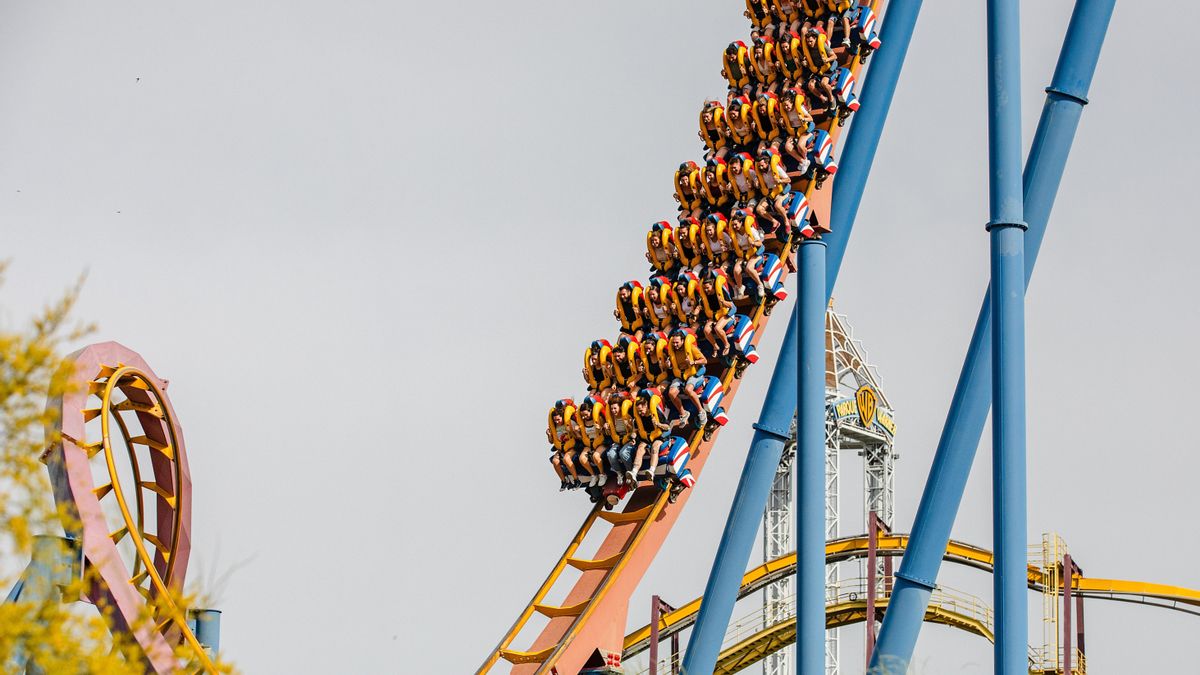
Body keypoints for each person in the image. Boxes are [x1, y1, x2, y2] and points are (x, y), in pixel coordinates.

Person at [665, 328, 709, 426]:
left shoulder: (691, 348)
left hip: (693, 373)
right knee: (671, 393)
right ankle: (683, 413)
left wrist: (693, 362)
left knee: (688, 390)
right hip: (680, 376)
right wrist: (668, 365)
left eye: (677, 342)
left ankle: (701, 411)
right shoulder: (672, 351)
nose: (675, 345)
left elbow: (704, 360)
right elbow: (673, 364)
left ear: (683, 341)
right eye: (674, 343)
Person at [629, 388, 672, 484]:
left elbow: (667, 427)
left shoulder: (656, 413)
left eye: (641, 410)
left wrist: (658, 424)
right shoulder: (638, 418)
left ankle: (651, 470)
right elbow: (635, 431)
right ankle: (634, 472)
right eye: (638, 411)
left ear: (646, 406)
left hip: (659, 435)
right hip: (646, 437)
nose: (640, 413)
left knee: (655, 447)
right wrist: (633, 438)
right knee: (640, 448)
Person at [571, 396, 610, 495]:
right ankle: (593, 475)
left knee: (596, 456)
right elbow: (581, 438)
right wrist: (576, 432)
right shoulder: (582, 423)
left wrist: (600, 428)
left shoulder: (599, 418)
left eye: (586, 414)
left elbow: (606, 433)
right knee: (582, 459)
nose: (584, 417)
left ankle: (602, 474)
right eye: (582, 415)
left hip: (601, 442)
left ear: (590, 411)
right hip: (589, 444)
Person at [755, 149, 794, 238]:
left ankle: (786, 221)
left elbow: (788, 179)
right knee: (759, 209)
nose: (760, 168)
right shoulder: (760, 173)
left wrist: (780, 180)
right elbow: (757, 184)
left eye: (762, 165)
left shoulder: (775, 168)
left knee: (777, 205)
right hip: (769, 194)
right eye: (759, 166)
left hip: (781, 191)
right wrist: (756, 184)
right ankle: (774, 222)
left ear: (767, 163)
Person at [728, 209, 766, 301]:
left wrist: (752, 242)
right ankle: (741, 288)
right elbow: (733, 247)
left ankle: (760, 285)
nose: (734, 226)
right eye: (733, 225)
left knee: (749, 268)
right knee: (736, 270)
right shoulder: (734, 234)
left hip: (754, 253)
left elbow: (760, 243)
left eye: (736, 224)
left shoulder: (750, 230)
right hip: (743, 254)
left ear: (741, 223)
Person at [698, 270, 735, 357]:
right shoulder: (704, 296)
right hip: (714, 315)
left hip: (726, 314)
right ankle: (715, 346)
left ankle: (727, 344)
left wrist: (723, 302)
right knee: (706, 330)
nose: (706, 290)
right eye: (704, 288)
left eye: (708, 288)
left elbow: (732, 306)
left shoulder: (721, 291)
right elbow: (702, 308)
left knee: (718, 328)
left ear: (713, 286)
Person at [800, 28, 838, 113]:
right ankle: (824, 99)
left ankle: (831, 98)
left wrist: (827, 60)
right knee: (810, 85)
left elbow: (834, 56)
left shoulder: (823, 45)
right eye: (808, 42)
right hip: (817, 70)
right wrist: (805, 63)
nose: (809, 44)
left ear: (815, 39)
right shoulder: (808, 49)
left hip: (828, 68)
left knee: (823, 83)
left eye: (811, 41)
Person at [603, 393, 637, 486]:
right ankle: (619, 473)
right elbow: (610, 434)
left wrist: (628, 424)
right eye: (612, 409)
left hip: (628, 439)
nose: (613, 411)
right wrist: (607, 429)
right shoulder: (612, 419)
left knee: (623, 453)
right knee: (610, 454)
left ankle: (630, 473)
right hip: (618, 440)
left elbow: (633, 430)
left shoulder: (626, 415)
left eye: (615, 408)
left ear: (620, 407)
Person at [547, 399, 579, 490]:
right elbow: (551, 441)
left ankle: (576, 480)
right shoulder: (555, 427)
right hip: (561, 447)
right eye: (555, 420)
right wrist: (549, 435)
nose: (557, 422)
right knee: (555, 461)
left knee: (566, 459)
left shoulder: (570, 422)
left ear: (562, 417)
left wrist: (572, 432)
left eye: (558, 419)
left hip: (572, 446)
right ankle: (564, 481)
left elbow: (578, 437)